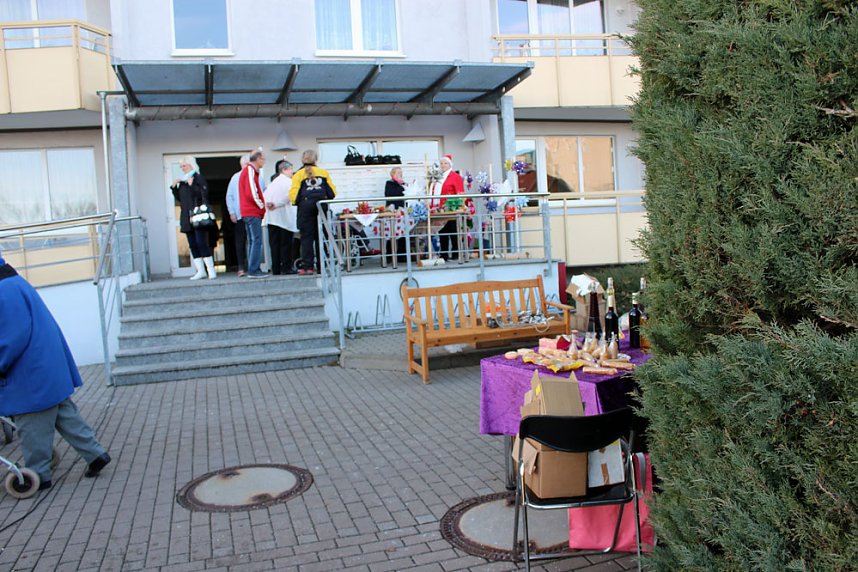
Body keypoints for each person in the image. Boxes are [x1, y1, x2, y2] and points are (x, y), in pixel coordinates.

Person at [0, 253, 111, 490]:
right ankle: (95, 453)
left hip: (30, 373)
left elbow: (10, 338)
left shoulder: (4, 291)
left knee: (32, 423)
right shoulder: (14, 282)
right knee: (65, 414)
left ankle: (38, 474)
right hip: (47, 364)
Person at [289, 149, 336, 275]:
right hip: (321, 206)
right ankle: (322, 266)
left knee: (306, 238)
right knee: (321, 236)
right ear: (316, 159)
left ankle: (308, 267)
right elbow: (332, 192)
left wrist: (298, 202)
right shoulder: (323, 173)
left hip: (305, 207)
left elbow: (293, 195)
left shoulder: (298, 174)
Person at [170, 156, 216, 279]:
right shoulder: (183, 181)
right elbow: (181, 199)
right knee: (192, 244)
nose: (182, 169)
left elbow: (203, 194)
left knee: (201, 242)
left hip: (197, 216)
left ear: (191, 165)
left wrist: (192, 185)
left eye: (184, 166)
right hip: (186, 217)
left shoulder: (198, 178)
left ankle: (211, 270)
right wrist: (174, 188)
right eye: (181, 167)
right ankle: (201, 271)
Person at [264, 159, 297, 275]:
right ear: (284, 170)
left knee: (274, 244)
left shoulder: (272, 183)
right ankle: (286, 267)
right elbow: (290, 196)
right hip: (284, 218)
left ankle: (276, 268)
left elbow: (265, 197)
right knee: (286, 244)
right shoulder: (288, 182)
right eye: (290, 170)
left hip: (271, 218)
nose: (292, 173)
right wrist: (276, 204)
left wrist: (269, 204)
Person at [239, 148, 268, 278]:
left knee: (252, 241)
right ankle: (253, 269)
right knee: (256, 241)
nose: (264, 162)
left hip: (248, 212)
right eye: (263, 159)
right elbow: (252, 193)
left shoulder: (250, 171)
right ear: (258, 159)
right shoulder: (250, 171)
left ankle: (252, 268)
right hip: (252, 212)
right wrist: (262, 206)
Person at [430, 154, 465, 260]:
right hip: (440, 210)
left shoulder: (455, 176)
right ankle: (444, 254)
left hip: (451, 209)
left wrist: (459, 206)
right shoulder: (437, 176)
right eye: (441, 163)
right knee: (442, 232)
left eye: (445, 163)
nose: (443, 165)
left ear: (450, 164)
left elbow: (460, 192)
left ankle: (456, 254)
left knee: (453, 232)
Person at [226, 155, 250, 277]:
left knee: (253, 241)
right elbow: (229, 196)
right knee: (241, 241)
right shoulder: (236, 178)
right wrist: (232, 212)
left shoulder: (256, 176)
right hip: (241, 215)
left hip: (253, 214)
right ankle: (241, 267)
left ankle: (252, 266)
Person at [384, 166, 407, 262]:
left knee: (403, 232)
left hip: (402, 211)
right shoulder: (389, 183)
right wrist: (401, 187)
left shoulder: (404, 184)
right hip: (393, 211)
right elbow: (391, 194)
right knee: (391, 233)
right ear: (392, 174)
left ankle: (402, 255)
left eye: (401, 173)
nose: (400, 175)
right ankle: (390, 255)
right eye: (398, 173)